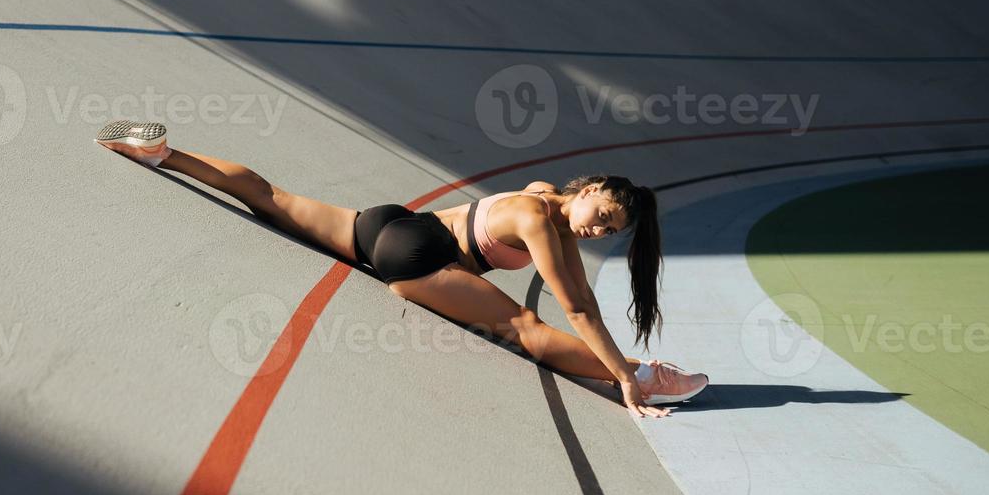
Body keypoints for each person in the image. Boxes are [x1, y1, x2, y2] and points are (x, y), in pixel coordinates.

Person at [95, 119, 709, 417]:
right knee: (523, 326)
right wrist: (619, 376)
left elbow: (565, 240)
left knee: (271, 195)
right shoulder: (537, 221)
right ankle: (645, 375)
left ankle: (163, 154)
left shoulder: (544, 193)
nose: (596, 230)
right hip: (420, 259)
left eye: (608, 231)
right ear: (592, 186)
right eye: (600, 214)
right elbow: (576, 306)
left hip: (391, 223)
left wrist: (585, 226)